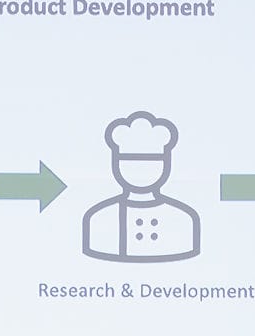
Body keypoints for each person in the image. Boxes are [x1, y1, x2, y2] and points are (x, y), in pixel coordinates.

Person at [82, 111, 201, 265]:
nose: (141, 169)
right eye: (130, 162)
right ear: (116, 162)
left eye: (152, 161)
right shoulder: (101, 217)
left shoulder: (182, 219)